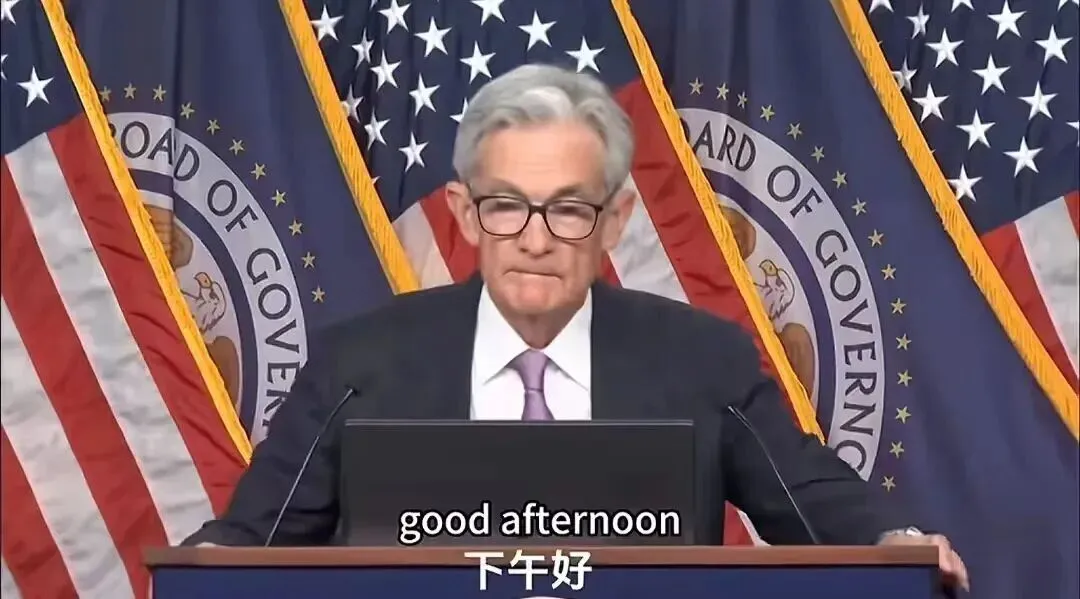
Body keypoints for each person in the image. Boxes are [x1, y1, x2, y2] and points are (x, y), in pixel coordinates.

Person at [182, 63, 968, 591]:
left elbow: (807, 496)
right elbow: (252, 539)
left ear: (615, 219)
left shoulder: (700, 361)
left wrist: (893, 542)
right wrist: (210, 563)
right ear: (465, 213)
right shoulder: (361, 365)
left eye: (567, 208)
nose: (535, 238)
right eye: (506, 205)